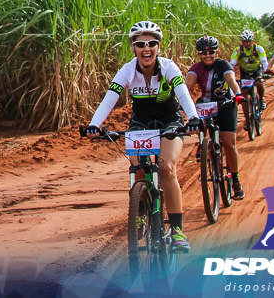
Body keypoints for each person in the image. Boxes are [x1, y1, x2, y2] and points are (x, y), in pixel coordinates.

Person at [85, 21, 201, 252]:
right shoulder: (127, 70)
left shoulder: (168, 67)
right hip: (141, 122)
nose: (146, 48)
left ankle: (177, 230)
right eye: (140, 44)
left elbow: (183, 93)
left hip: (169, 121)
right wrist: (94, 124)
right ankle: (139, 214)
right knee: (137, 168)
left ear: (158, 46)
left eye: (151, 43)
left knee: (167, 168)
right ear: (134, 48)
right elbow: (110, 98)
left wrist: (193, 117)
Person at [185, 35, 245, 199]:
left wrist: (238, 93)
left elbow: (231, 80)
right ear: (199, 55)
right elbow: (187, 86)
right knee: (196, 115)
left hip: (225, 103)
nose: (207, 55)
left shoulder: (223, 65)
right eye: (203, 53)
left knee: (229, 144)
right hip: (206, 104)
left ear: (216, 52)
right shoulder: (196, 68)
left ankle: (235, 179)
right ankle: (203, 143)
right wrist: (179, 100)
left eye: (211, 52)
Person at [231, 29, 269, 124]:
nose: (247, 44)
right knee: (244, 96)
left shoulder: (258, 49)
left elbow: (264, 61)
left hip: (256, 71)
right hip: (245, 73)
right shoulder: (238, 50)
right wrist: (229, 76)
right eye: (245, 42)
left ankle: (261, 99)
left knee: (259, 83)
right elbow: (232, 64)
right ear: (242, 42)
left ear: (252, 41)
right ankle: (248, 121)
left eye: (249, 41)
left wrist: (267, 71)